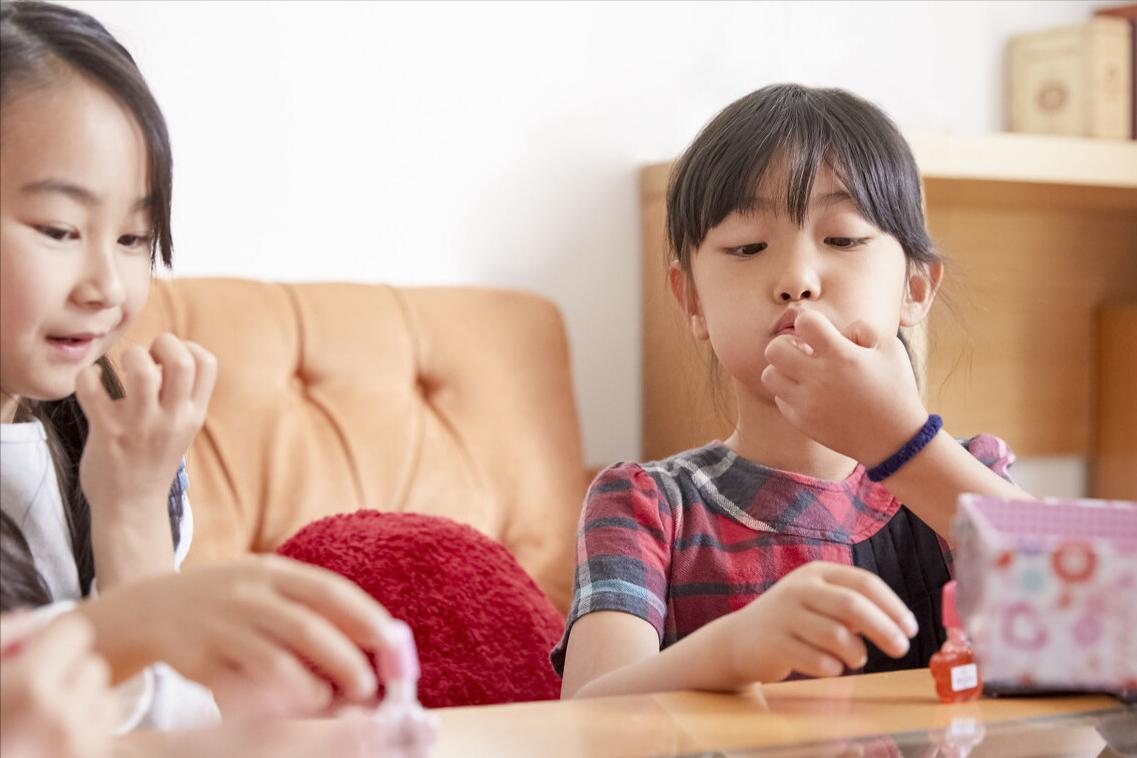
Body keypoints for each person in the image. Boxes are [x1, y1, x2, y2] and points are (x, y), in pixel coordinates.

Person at [0, 0, 410, 733]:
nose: (106, 287)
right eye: (60, 229)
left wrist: (136, 503)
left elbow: (170, 728)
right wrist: (129, 523)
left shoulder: (102, 438)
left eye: (134, 237)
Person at [555, 84, 1031, 698]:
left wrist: (902, 445)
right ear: (692, 301)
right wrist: (733, 651)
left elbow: (1105, 624)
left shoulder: (970, 475)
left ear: (915, 288)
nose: (796, 280)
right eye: (748, 247)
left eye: (844, 239)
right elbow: (583, 720)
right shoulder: (646, 506)